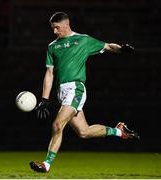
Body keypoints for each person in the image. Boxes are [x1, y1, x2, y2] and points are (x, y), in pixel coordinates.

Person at [30, 11, 138, 173]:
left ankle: (46, 164)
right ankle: (119, 131)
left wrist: (121, 49)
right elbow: (49, 73)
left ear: (66, 25)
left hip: (76, 89)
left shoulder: (83, 40)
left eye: (57, 28)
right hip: (62, 93)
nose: (54, 31)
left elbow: (108, 46)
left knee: (57, 124)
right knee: (84, 132)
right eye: (52, 28)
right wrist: (44, 99)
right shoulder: (52, 46)